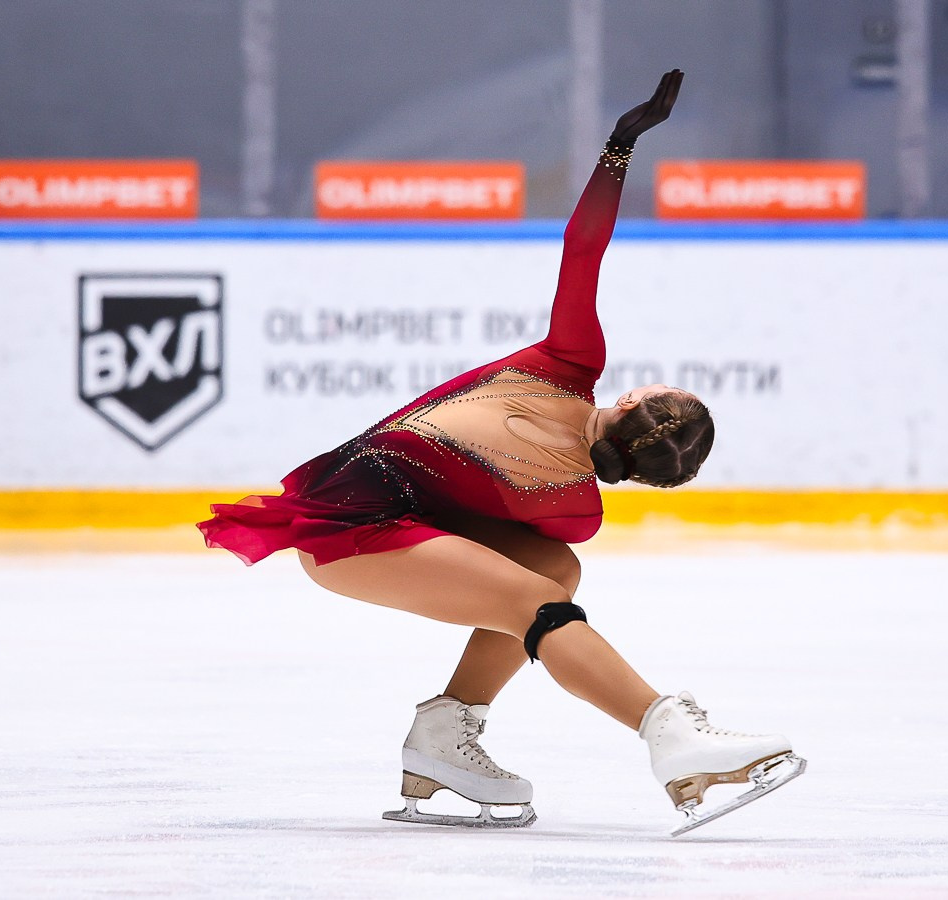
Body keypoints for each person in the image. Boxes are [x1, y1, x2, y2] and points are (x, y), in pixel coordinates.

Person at [198, 70, 803, 833]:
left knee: (553, 578)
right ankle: (665, 730)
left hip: (361, 525)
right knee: (543, 592)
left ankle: (446, 735)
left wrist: (619, 147)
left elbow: (584, 245)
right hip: (347, 534)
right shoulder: (578, 507)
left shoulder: (570, 363)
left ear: (626, 402)